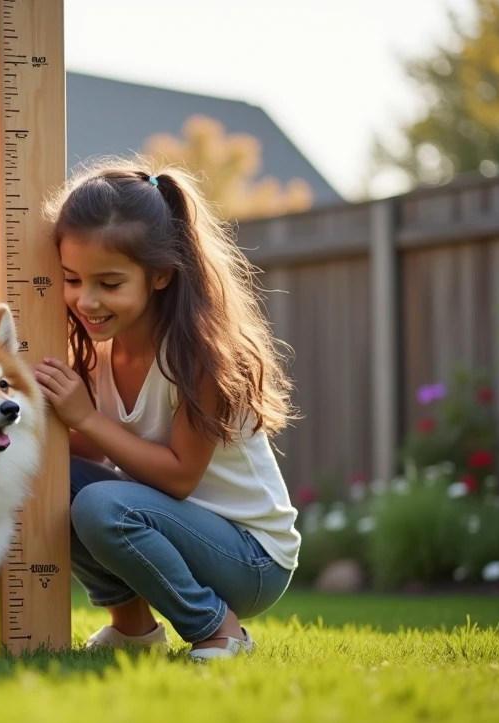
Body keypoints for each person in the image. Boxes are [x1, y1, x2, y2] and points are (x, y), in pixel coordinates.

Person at [33, 158, 301, 661]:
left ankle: (219, 630)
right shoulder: (103, 348)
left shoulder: (198, 356)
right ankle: (133, 629)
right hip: (172, 528)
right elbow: (98, 448)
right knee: (48, 475)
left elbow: (179, 477)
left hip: (251, 558)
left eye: (109, 284)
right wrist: (41, 413)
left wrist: (84, 416)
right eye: (72, 279)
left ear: (159, 276)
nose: (86, 301)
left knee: (102, 506)